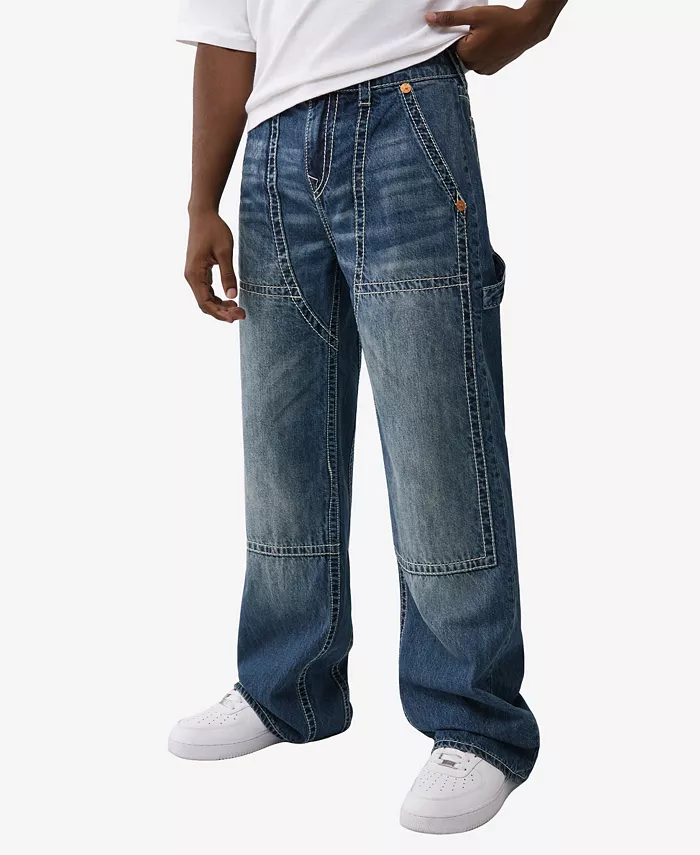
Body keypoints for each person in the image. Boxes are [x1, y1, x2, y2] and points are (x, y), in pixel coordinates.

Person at [170, 0, 567, 835]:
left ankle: (475, 720)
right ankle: (287, 685)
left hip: (405, 111)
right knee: (281, 443)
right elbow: (226, 31)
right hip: (271, 145)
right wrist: (202, 201)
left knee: (437, 439)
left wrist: (538, 16)